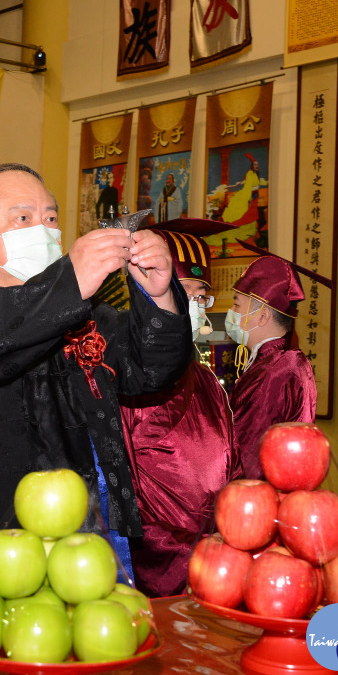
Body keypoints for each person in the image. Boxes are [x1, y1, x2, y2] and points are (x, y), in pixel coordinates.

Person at [0, 163, 191, 632]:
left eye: (50, 217)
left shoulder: (87, 312)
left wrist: (160, 297)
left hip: (82, 542)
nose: (43, 230)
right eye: (22, 218)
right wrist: (67, 286)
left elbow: (151, 372)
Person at [119, 218, 237, 597]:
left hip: (216, 567)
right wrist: (189, 560)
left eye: (202, 296)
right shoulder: (129, 382)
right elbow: (124, 495)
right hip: (160, 573)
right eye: (183, 292)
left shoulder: (207, 382)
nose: (195, 306)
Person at [226, 252, 330, 480]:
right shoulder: (280, 362)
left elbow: (246, 456)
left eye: (236, 304)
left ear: (262, 316)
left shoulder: (275, 372)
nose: (231, 312)